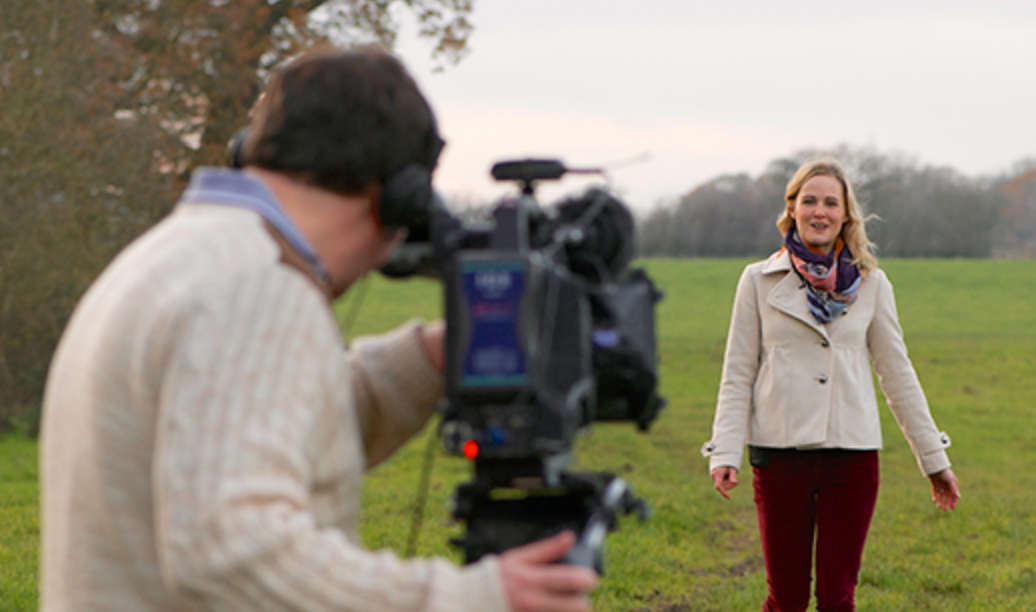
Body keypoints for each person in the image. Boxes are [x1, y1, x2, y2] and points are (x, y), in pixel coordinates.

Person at [40, 45, 597, 612]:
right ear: (400, 199)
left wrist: (430, 357)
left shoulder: (176, 257)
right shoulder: (261, 287)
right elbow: (233, 550)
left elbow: (239, 435)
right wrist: (467, 598)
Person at [701, 159, 961, 612]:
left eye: (830, 202)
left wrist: (933, 460)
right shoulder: (757, 282)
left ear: (845, 215)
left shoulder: (872, 286)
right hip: (779, 456)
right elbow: (737, 372)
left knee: (837, 599)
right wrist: (725, 452)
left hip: (852, 459)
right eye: (809, 201)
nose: (819, 211)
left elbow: (898, 375)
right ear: (792, 209)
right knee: (786, 600)